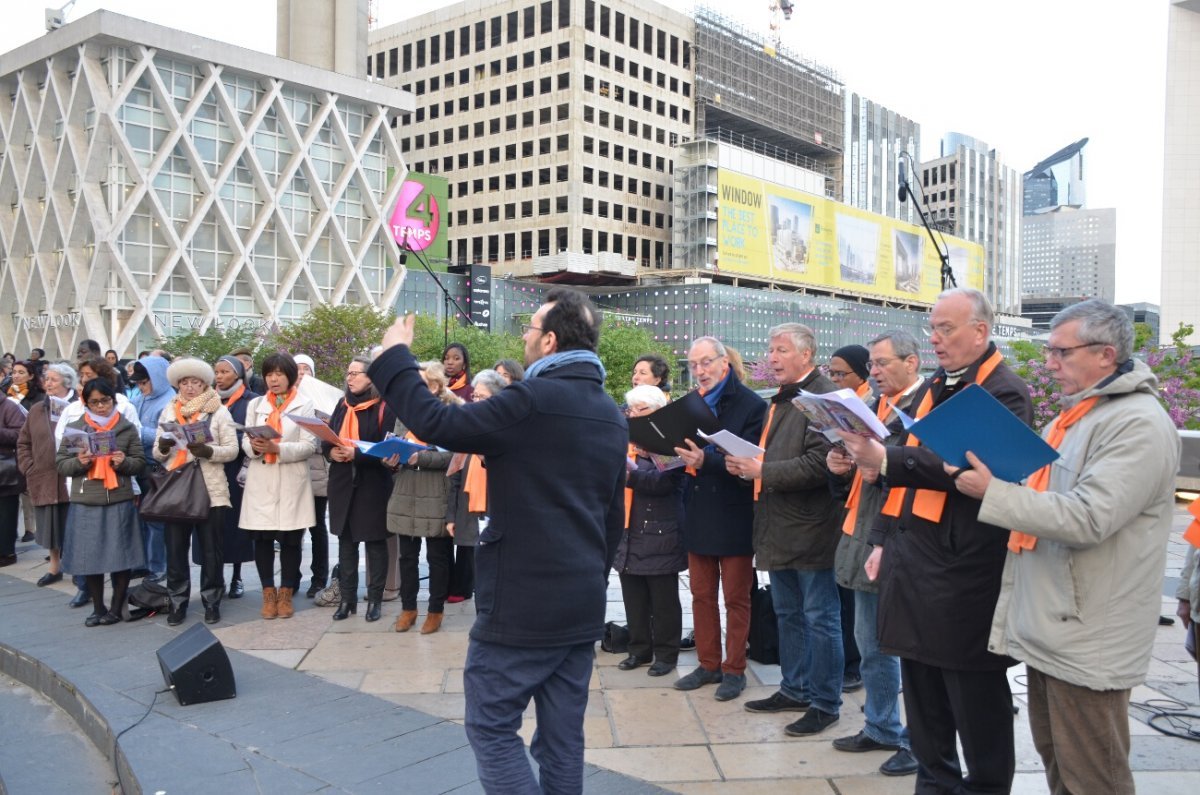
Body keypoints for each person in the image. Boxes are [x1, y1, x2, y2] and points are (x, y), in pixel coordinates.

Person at [368, 287, 626, 794]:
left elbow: (439, 422)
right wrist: (591, 578)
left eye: (530, 328)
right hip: (580, 597)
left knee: (490, 723)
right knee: (561, 737)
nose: (525, 337)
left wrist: (395, 358)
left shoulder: (531, 400)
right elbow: (612, 517)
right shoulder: (610, 412)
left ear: (550, 341)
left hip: (522, 597)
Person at [952, 299, 1180, 795]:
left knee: (1093, 775)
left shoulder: (1135, 422)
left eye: (1060, 352)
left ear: (1105, 354)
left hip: (1090, 630)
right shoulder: (1080, 415)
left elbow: (1089, 516)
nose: (1048, 364)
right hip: (1056, 621)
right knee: (1060, 762)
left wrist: (992, 493)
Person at [839, 287, 1032, 794]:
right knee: (921, 688)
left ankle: (986, 786)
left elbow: (972, 468)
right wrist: (880, 538)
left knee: (972, 692)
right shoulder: (934, 387)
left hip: (963, 566)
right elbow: (902, 462)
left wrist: (888, 459)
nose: (936, 338)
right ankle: (934, 781)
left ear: (981, 332)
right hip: (910, 555)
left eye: (946, 329)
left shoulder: (1005, 391)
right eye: (933, 328)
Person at [727, 323, 844, 721]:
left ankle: (825, 702)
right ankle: (794, 689)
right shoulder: (784, 397)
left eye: (780, 350)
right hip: (778, 524)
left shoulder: (824, 396)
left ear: (806, 354)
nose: (771, 358)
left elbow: (819, 463)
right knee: (788, 614)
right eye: (770, 350)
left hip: (810, 527)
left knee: (820, 617)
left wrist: (761, 470)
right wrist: (746, 463)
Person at [826, 331, 923, 777]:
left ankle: (915, 741)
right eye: (873, 365)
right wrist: (839, 466)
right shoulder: (873, 406)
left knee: (903, 646)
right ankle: (880, 725)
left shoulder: (922, 407)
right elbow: (861, 479)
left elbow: (916, 474)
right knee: (870, 644)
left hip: (899, 538)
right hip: (862, 530)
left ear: (913, 362)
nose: (876, 372)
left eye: (883, 363)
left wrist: (877, 463)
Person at [672, 336, 766, 699]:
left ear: (724, 363)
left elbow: (749, 461)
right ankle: (708, 664)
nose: (700, 371)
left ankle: (734, 669)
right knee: (700, 594)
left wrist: (706, 461)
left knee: (736, 597)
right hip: (698, 508)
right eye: (694, 365)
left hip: (734, 511)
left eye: (706, 363)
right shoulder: (691, 403)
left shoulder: (751, 405)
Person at [153, 358, 239, 626]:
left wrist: (208, 451)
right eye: (185, 382)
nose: (190, 387)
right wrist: (165, 446)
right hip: (176, 487)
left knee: (211, 550)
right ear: (178, 385)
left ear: (204, 384)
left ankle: (211, 601)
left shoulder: (218, 411)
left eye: (196, 382)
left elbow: (232, 449)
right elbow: (157, 452)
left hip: (209, 488)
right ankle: (177, 602)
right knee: (176, 550)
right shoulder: (169, 411)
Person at [56, 378, 146, 625]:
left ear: (113, 400)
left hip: (118, 497)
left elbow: (140, 462)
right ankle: (98, 608)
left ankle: (116, 608)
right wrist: (80, 462)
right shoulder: (77, 428)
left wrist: (123, 462)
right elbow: (62, 464)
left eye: (105, 401)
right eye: (94, 402)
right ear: (86, 403)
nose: (100, 407)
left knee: (121, 556)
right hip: (86, 498)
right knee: (90, 556)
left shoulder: (125, 428)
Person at [239, 352, 320, 620]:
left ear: (290, 377)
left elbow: (309, 445)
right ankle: (267, 593)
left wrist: (277, 447)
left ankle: (286, 594)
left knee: (290, 540)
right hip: (261, 479)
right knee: (261, 539)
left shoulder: (305, 405)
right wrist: (254, 446)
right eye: (269, 374)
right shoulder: (256, 404)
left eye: (279, 374)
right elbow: (244, 442)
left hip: (290, 480)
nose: (274, 379)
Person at [615, 383, 687, 677]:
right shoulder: (626, 438)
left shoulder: (672, 441)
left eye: (641, 409)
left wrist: (631, 473)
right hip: (628, 527)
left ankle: (666, 654)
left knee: (663, 598)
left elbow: (665, 483)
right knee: (633, 595)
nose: (634, 414)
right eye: (632, 409)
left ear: (658, 411)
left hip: (660, 529)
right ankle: (639, 649)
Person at [324, 356, 398, 623]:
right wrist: (331, 451)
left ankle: (375, 600)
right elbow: (327, 438)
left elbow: (387, 449)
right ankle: (347, 600)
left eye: (356, 373)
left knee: (376, 543)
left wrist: (356, 454)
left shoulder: (384, 407)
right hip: (342, 482)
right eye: (348, 372)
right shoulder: (342, 406)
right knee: (346, 543)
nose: (350, 377)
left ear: (371, 378)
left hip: (373, 484)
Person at [388, 361, 459, 634]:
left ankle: (435, 610)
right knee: (407, 555)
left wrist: (422, 457)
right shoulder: (404, 410)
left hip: (437, 489)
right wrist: (391, 457)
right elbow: (396, 441)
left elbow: (455, 455)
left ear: (437, 385)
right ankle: (408, 608)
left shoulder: (451, 411)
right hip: (406, 489)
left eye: (424, 384)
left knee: (438, 557)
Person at [826, 344, 870, 693]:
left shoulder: (870, 406)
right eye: (832, 373)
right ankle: (848, 661)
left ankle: (855, 665)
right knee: (844, 591)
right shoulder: (839, 405)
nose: (836, 379)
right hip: (846, 508)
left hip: (870, 515)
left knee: (859, 599)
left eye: (842, 374)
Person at [445, 368, 508, 604]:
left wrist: (487, 459)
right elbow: (455, 477)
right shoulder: (469, 428)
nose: (477, 401)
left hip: (498, 513)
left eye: (482, 397)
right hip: (469, 510)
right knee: (478, 575)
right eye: (475, 397)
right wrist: (451, 515)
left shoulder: (508, 430)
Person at [16, 362, 75, 584]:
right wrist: (28, 467)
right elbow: (24, 442)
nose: (47, 383)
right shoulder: (37, 409)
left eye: (53, 379)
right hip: (43, 476)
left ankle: (77, 567)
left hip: (72, 476)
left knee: (72, 522)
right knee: (50, 524)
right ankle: (54, 566)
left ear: (66, 383)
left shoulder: (77, 406)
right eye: (46, 379)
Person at [211, 355, 257, 598]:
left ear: (238, 375)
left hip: (239, 470)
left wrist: (232, 440)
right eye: (216, 372)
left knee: (237, 525)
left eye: (224, 372)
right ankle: (215, 577)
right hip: (214, 468)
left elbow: (253, 432)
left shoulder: (251, 401)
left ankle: (237, 577)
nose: (219, 376)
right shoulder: (209, 401)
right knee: (214, 526)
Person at [129, 356, 175, 582]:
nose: (141, 387)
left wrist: (139, 433)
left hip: (159, 467)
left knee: (157, 521)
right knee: (140, 518)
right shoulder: (139, 398)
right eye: (138, 384)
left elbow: (168, 435)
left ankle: (158, 566)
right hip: (139, 465)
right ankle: (142, 562)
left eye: (144, 382)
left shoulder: (170, 400)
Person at [293, 353, 330, 598]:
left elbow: (329, 440)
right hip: (292, 471)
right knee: (293, 528)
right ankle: (291, 577)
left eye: (306, 369)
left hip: (317, 473)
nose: (302, 374)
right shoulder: (285, 402)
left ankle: (319, 577)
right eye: (297, 369)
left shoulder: (323, 404)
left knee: (317, 526)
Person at [0, 394, 26, 567]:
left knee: (6, 514)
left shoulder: (9, 406)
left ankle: (6, 552)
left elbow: (20, 433)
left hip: (4, 471)